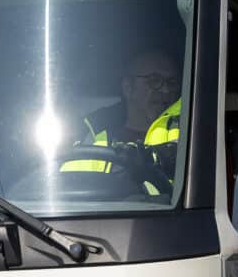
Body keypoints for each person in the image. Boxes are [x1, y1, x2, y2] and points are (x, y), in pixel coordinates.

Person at [59, 45, 180, 187]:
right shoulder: (90, 135)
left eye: (172, 83)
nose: (166, 90)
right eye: (154, 80)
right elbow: (70, 193)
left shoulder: (189, 131)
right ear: (128, 87)